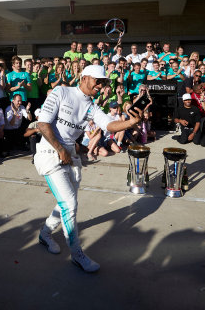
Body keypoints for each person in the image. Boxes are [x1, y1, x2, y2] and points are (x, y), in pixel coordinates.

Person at [34, 65, 142, 273]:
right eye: (97, 80)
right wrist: (60, 149)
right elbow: (42, 123)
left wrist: (131, 122)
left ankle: (45, 234)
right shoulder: (61, 92)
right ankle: (77, 255)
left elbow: (109, 125)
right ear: (84, 78)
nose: (100, 85)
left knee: (66, 203)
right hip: (49, 153)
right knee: (69, 203)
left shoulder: (91, 106)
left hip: (71, 155)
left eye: (103, 82)